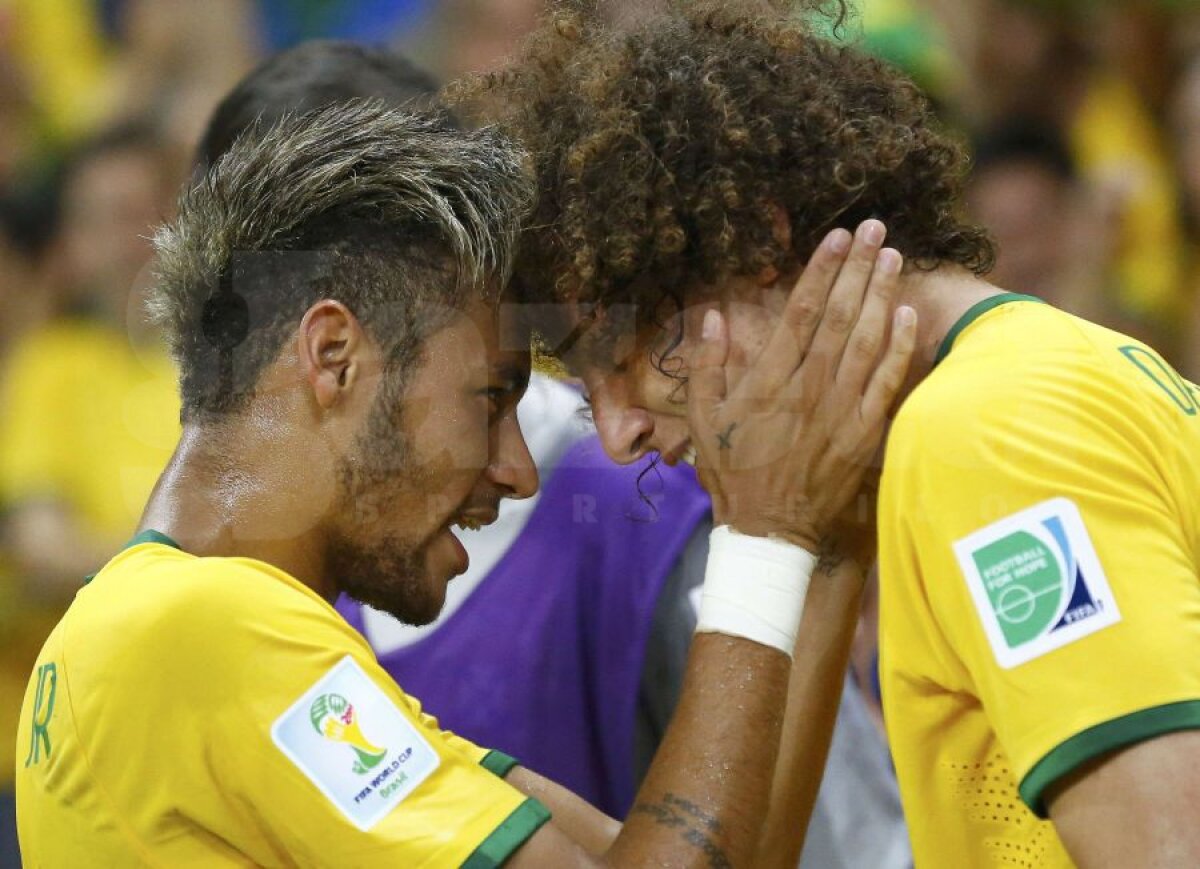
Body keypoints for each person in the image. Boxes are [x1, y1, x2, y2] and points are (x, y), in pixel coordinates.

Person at [15, 100, 915, 864]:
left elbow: (708, 854)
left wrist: (825, 551)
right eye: (489, 399)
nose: (516, 471)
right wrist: (763, 531)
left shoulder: (166, 629)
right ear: (333, 355)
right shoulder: (205, 630)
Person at [472, 1, 1200, 865]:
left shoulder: (985, 430)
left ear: (759, 243)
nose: (618, 433)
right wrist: (814, 548)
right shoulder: (985, 403)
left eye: (629, 351)